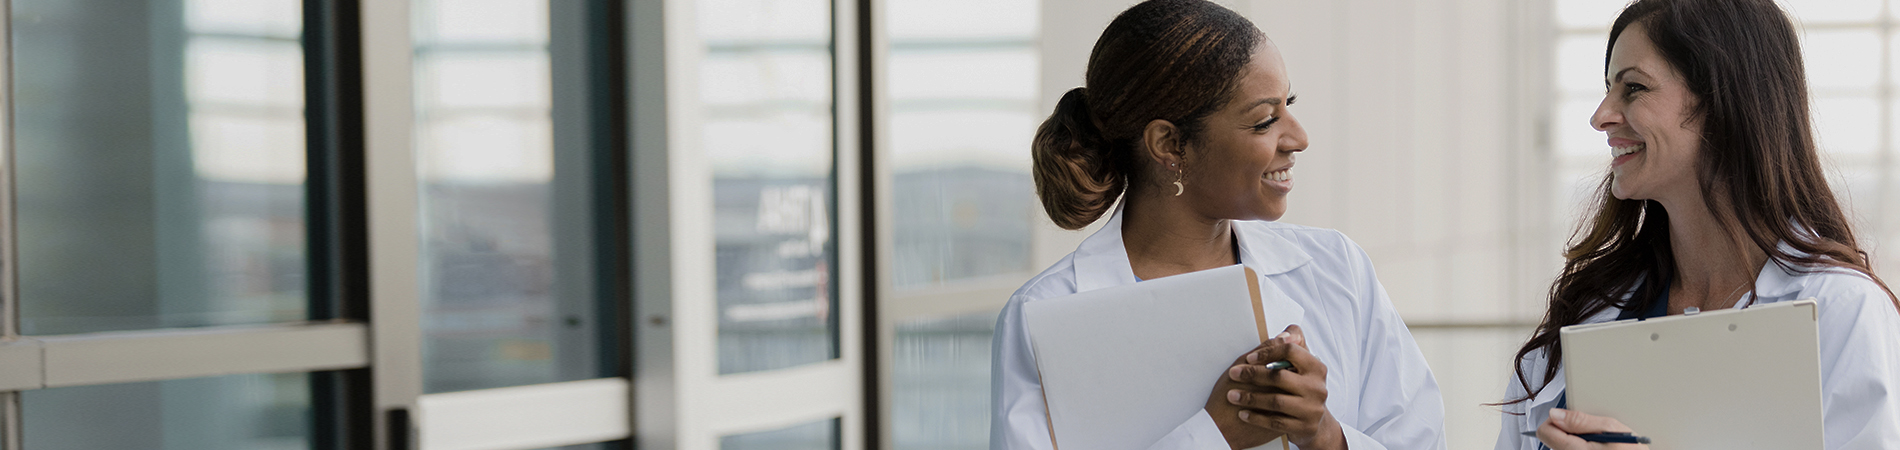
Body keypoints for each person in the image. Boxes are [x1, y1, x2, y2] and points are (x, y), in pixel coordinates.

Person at [988, 1, 1446, 449]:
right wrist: (1214, 436)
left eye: (1289, 104)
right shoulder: (1042, 316)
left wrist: (1326, 436)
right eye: (1265, 121)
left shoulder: (1337, 269)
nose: (1299, 138)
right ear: (1169, 143)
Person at [1493, 1, 1900, 449]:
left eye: (1634, 88)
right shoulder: (1588, 308)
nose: (1601, 116)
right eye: (1608, 89)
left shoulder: (1842, 310)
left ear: (1725, 100)